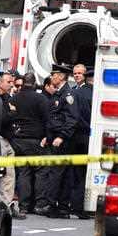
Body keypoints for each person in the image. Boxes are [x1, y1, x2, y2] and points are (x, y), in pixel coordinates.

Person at [36, 68, 79, 218]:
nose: (51, 77)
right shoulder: (60, 93)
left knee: (56, 173)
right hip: (54, 139)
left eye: (53, 75)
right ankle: (61, 207)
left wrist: (61, 136)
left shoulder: (67, 95)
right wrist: (48, 137)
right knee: (61, 174)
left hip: (61, 141)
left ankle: (52, 204)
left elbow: (72, 119)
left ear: (60, 76)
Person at [11, 73, 51, 215]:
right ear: (34, 83)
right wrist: (47, 136)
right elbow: (48, 120)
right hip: (36, 141)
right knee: (40, 171)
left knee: (23, 172)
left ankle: (24, 205)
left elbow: (10, 118)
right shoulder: (41, 99)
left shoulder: (14, 98)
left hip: (19, 140)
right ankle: (39, 204)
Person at [0, 71, 24, 219]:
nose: (11, 85)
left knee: (9, 175)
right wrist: (12, 113)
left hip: (7, 139)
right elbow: (2, 119)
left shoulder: (7, 97)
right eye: (8, 82)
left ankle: (6, 204)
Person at [68, 64, 93, 219]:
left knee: (78, 173)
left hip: (79, 135)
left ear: (85, 75)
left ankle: (75, 205)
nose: (76, 75)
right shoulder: (83, 92)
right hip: (80, 136)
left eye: (79, 73)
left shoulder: (79, 92)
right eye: (75, 73)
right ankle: (77, 206)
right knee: (79, 173)